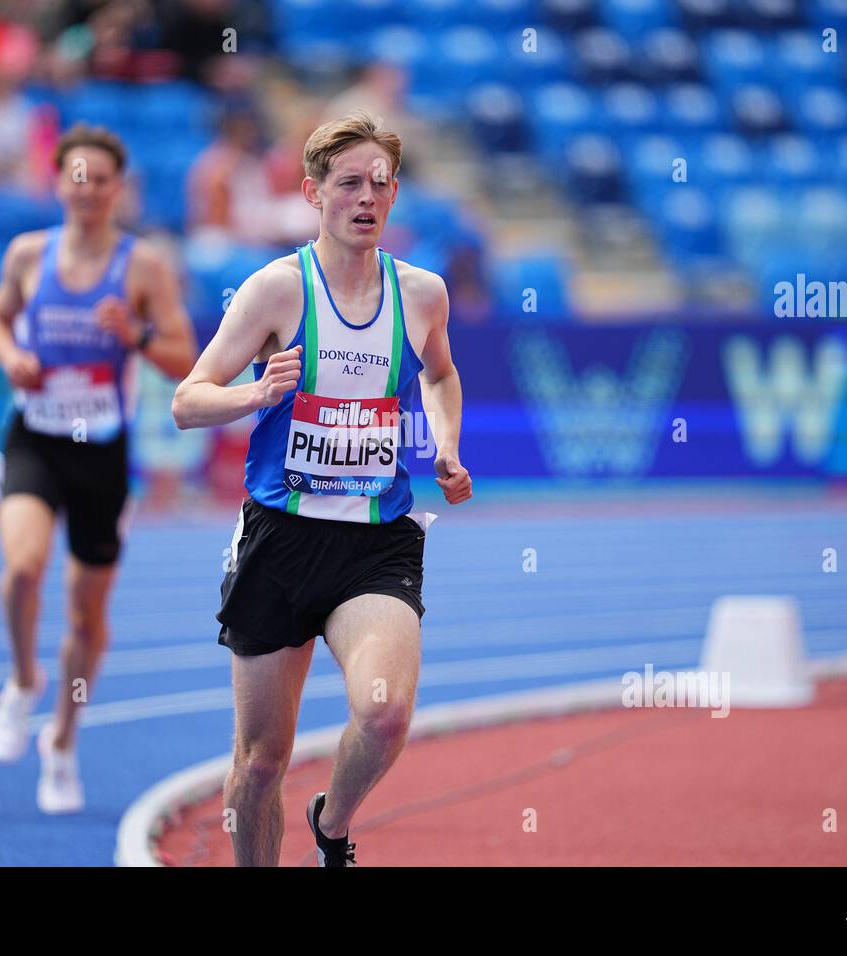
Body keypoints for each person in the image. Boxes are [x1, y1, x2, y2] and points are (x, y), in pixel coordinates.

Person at [172, 110, 473, 865]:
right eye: (348, 183)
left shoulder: (422, 294)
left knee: (384, 713)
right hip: (281, 536)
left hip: (375, 542)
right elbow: (187, 400)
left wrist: (445, 442)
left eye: (380, 184)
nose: (366, 198)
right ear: (312, 193)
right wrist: (252, 396)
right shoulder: (275, 291)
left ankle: (331, 828)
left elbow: (439, 372)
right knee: (261, 762)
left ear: (395, 194)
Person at [0, 123, 197, 813]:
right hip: (35, 437)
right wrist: (12, 358)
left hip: (100, 449)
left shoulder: (143, 267)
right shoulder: (28, 254)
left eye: (102, 179)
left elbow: (185, 358)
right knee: (21, 567)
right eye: (78, 176)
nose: (89, 189)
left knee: (86, 615)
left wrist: (130, 333)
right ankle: (21, 681)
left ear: (117, 190)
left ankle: (64, 743)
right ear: (59, 182)